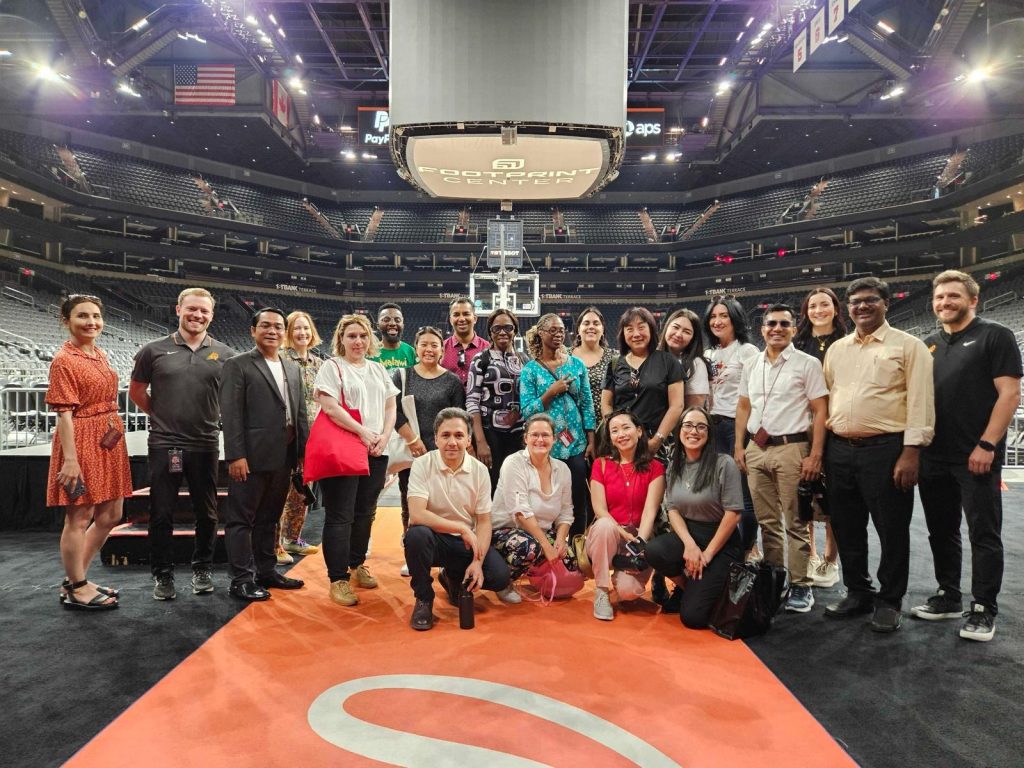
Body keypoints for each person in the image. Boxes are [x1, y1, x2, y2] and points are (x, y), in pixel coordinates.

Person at [913, 270, 1021, 642]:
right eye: (940, 297)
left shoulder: (995, 335)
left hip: (976, 455)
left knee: (983, 533)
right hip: (933, 454)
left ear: (973, 300)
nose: (945, 303)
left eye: (953, 296)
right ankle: (949, 596)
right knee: (940, 530)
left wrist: (988, 444)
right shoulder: (928, 343)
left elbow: (1009, 394)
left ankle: (983, 607)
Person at [822, 277, 934, 633]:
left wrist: (911, 451)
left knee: (891, 528)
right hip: (839, 449)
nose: (862, 307)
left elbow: (920, 401)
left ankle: (889, 600)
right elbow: (829, 396)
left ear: (886, 303)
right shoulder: (837, 349)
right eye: (855, 302)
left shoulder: (909, 346)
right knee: (846, 526)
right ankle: (858, 591)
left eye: (870, 300)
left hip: (887, 450)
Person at [129, 287, 234, 600]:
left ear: (211, 315)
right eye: (192, 309)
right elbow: (137, 392)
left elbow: (229, 398)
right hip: (167, 446)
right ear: (178, 309)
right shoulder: (153, 350)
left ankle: (202, 567)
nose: (197, 315)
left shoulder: (225, 354)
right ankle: (163, 574)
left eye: (204, 311)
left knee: (208, 513)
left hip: (205, 445)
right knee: (161, 513)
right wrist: (161, 416)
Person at [734, 304, 828, 614]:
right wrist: (739, 446)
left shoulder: (807, 364)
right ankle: (775, 578)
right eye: (771, 323)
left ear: (793, 329)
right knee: (767, 521)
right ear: (762, 329)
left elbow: (819, 411)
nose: (777, 328)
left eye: (783, 324)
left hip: (792, 447)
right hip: (756, 449)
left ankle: (801, 585)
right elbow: (744, 407)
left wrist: (815, 455)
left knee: (796, 520)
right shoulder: (751, 364)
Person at [48, 295, 132, 611]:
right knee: (79, 516)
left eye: (96, 316)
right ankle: (78, 586)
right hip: (80, 440)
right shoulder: (64, 360)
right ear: (66, 321)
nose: (91, 322)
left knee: (111, 514)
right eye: (82, 316)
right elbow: (63, 415)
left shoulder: (98, 353)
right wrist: (71, 460)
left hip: (108, 440)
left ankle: (75, 579)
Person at [220, 308, 309, 601]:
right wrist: (235, 455)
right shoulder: (238, 365)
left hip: (284, 456)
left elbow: (299, 413)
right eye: (265, 326)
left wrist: (301, 453)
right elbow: (231, 415)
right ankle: (241, 579)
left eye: (278, 327)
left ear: (284, 332)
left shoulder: (292, 367)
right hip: (250, 457)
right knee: (241, 520)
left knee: (269, 518)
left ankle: (266, 572)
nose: (272, 331)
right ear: (253, 331)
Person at [313, 314, 398, 607]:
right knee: (340, 515)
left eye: (362, 336)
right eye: (351, 336)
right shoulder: (331, 367)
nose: (358, 341)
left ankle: (356, 563)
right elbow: (330, 407)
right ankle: (338, 579)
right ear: (341, 340)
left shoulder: (377, 369)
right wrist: (363, 433)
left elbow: (391, 406)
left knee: (366, 512)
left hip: (376, 449)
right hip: (345, 448)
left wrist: (384, 437)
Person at [404, 408, 512, 631]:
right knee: (416, 536)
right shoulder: (422, 464)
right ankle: (424, 598)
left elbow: (483, 521)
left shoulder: (480, 471)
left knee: (499, 577)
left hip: (465, 542)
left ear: (469, 439)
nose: (452, 442)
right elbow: (417, 514)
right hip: (433, 538)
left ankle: (453, 576)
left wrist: (478, 562)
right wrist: (461, 528)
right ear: (435, 439)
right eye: (445, 435)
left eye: (459, 435)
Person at [645, 407, 743, 628]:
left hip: (721, 540)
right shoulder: (675, 466)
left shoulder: (723, 464)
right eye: (688, 425)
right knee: (654, 551)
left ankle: (703, 591)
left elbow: (733, 514)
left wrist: (706, 555)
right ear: (680, 431)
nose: (694, 431)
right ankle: (688, 587)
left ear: (709, 433)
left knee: (693, 617)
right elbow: (673, 509)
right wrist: (689, 545)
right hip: (690, 534)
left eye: (701, 426)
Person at [393, 326, 466, 574]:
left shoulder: (452, 381)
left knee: (444, 502)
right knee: (410, 503)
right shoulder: (403, 376)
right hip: (412, 451)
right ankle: (411, 553)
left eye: (434, 344)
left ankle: (444, 552)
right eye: (424, 344)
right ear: (416, 348)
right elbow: (394, 411)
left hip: (445, 453)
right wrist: (413, 440)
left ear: (442, 349)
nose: (429, 349)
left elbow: (459, 416)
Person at [520, 313, 596, 538]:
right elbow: (527, 412)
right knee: (548, 498)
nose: (558, 334)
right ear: (540, 333)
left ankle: (576, 546)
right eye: (552, 330)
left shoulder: (577, 365)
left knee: (578, 496)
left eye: (561, 330)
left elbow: (587, 404)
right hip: (546, 447)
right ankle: (549, 546)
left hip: (576, 444)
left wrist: (591, 440)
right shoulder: (530, 370)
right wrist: (550, 393)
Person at [586, 409, 666, 621]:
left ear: (639, 431)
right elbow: (599, 509)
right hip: (608, 533)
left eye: (626, 427)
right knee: (604, 524)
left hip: (639, 536)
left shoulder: (655, 467)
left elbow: (650, 510)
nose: (620, 434)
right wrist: (621, 532)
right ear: (610, 437)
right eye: (614, 430)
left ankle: (619, 579)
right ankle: (602, 590)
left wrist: (640, 541)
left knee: (629, 593)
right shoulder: (601, 464)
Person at [793, 287, 847, 588]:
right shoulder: (797, 343)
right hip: (804, 426)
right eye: (812, 306)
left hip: (836, 425)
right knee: (804, 496)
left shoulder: (846, 343)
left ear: (835, 308)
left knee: (833, 499)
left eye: (824, 304)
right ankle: (810, 554)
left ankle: (831, 559)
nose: (818, 310)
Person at [490, 413, 576, 603]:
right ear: (525, 438)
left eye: (545, 435)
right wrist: (547, 546)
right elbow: (520, 512)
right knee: (529, 547)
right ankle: (502, 580)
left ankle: (531, 572)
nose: (540, 440)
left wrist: (560, 541)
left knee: (570, 558)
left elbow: (566, 512)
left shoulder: (563, 469)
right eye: (534, 434)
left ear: (554, 439)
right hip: (504, 530)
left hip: (540, 532)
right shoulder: (514, 463)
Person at [703, 295, 760, 556]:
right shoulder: (708, 353)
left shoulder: (747, 351)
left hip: (734, 428)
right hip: (709, 428)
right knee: (718, 495)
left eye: (723, 315)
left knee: (743, 498)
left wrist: (741, 442)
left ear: (735, 318)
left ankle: (747, 549)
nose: (717, 321)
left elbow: (753, 396)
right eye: (713, 316)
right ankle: (727, 549)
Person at [602, 306, 684, 461]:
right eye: (629, 329)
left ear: (652, 330)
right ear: (623, 333)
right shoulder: (614, 363)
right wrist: (614, 431)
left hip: (658, 442)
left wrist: (657, 440)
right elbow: (606, 403)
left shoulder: (668, 361)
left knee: (657, 484)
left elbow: (677, 406)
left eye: (641, 327)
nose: (636, 334)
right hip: (622, 443)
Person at [275, 311, 323, 566]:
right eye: (296, 329)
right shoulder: (281, 360)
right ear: (288, 334)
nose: (302, 333)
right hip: (287, 436)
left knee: (301, 491)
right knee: (280, 491)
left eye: (306, 328)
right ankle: (275, 545)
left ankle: (293, 538)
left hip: (313, 436)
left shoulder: (318, 363)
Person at [467, 310, 525, 493]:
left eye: (508, 327)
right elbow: (472, 402)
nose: (502, 332)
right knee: (491, 486)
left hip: (518, 435)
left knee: (515, 485)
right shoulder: (481, 360)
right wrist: (481, 441)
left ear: (515, 330)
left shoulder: (524, 360)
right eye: (496, 328)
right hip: (489, 433)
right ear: (490, 332)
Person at [571, 306, 617, 430]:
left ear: (602, 330)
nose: (591, 326)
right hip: (572, 428)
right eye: (586, 323)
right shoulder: (565, 357)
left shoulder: (614, 358)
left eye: (596, 323)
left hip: (605, 427)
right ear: (578, 330)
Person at [658, 308, 712, 409]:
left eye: (686, 332)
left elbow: (694, 410)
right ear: (667, 327)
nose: (678, 334)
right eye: (675, 327)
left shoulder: (696, 364)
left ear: (693, 338)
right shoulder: (652, 356)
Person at [441, 296, 490, 387]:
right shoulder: (441, 349)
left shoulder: (488, 349)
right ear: (451, 320)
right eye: (456, 315)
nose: (462, 319)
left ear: (475, 318)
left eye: (466, 314)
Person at [371, 302, 417, 371]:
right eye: (386, 320)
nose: (392, 323)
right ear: (378, 325)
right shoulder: (370, 353)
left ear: (403, 325)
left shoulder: (411, 352)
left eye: (397, 320)